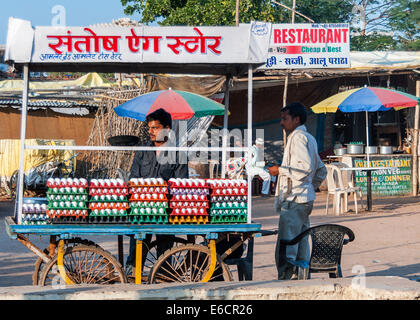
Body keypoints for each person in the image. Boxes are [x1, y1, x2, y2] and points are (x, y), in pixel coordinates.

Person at [125, 108, 189, 275]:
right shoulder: (142, 151)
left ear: (167, 129)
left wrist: (162, 192)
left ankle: (163, 275)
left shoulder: (178, 154)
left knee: (165, 250)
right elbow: (133, 177)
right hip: (141, 207)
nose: (150, 132)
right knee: (138, 245)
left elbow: (181, 184)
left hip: (166, 210)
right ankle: (132, 273)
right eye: (149, 128)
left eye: (155, 128)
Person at [268, 102, 327, 280]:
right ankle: (301, 277)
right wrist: (309, 187)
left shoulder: (298, 138)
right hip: (303, 198)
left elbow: (305, 168)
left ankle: (288, 278)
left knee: (288, 243)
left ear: (296, 119)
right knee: (301, 240)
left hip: (295, 199)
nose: (281, 123)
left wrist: (281, 170)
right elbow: (321, 171)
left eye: (285, 119)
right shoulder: (309, 138)